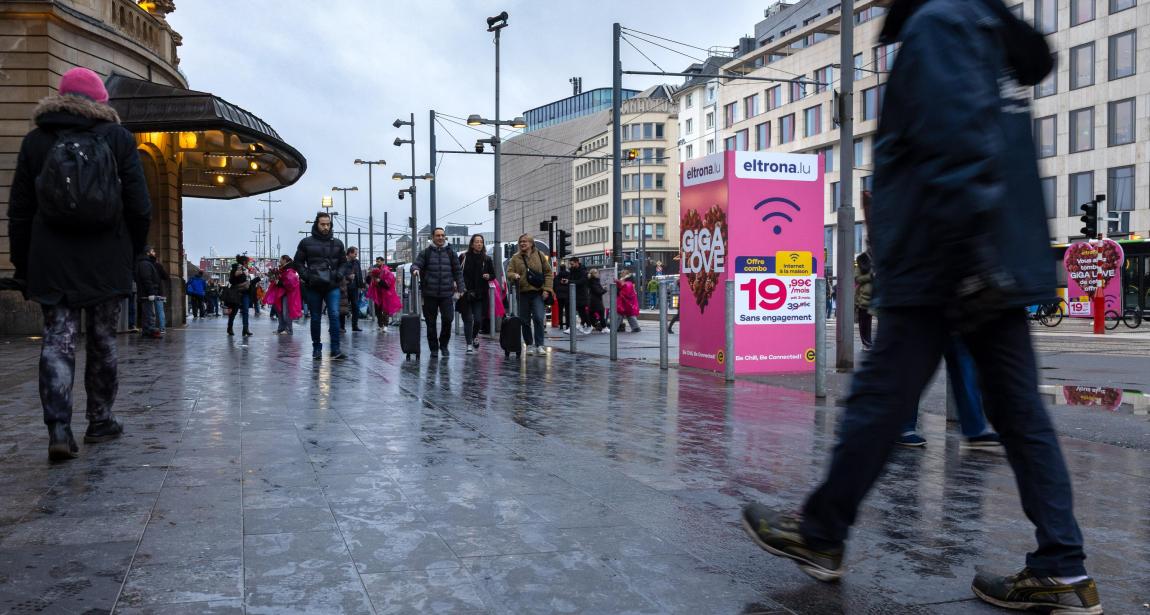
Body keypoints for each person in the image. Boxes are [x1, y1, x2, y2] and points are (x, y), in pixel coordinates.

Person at [741, 0, 1101, 611]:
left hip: (942, 258)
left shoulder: (938, 23)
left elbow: (957, 144)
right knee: (1018, 415)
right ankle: (1063, 568)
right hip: (992, 253)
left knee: (881, 400)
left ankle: (822, 533)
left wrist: (962, 256)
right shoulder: (987, 30)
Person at [7, 67, 151, 461]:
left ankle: (58, 428)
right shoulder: (119, 138)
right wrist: (133, 252)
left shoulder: (37, 141)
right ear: (102, 102)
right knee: (103, 340)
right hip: (107, 255)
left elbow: (19, 209)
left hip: (52, 256)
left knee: (58, 339)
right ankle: (101, 421)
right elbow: (139, 205)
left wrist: (23, 263)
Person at [293, 212, 347, 360]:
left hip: (332, 285)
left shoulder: (337, 243)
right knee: (315, 317)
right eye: (323, 224)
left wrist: (339, 274)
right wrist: (307, 277)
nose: (325, 227)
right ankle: (317, 348)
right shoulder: (306, 242)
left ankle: (335, 349)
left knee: (335, 315)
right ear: (317, 224)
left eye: (328, 224)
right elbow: (297, 262)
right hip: (314, 286)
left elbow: (344, 263)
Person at [412, 227, 464, 358]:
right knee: (431, 323)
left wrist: (461, 288)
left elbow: (458, 272)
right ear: (433, 237)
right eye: (438, 235)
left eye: (442, 235)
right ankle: (434, 348)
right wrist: (415, 269)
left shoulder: (451, 253)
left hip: (446, 294)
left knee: (448, 319)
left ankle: (444, 345)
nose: (440, 238)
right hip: (430, 293)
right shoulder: (426, 253)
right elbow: (416, 264)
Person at [505, 233, 553, 355]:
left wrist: (547, 289)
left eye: (525, 241)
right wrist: (513, 275)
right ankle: (529, 345)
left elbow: (548, 273)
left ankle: (540, 345)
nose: (522, 243)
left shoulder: (539, 255)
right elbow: (509, 272)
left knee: (538, 317)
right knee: (525, 321)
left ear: (531, 243)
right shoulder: (515, 258)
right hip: (523, 293)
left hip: (538, 292)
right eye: (520, 241)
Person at [459, 234, 496, 353]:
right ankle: (469, 345)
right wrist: (458, 285)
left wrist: (488, 276)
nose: (479, 244)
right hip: (465, 293)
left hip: (480, 294)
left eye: (481, 242)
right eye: (477, 242)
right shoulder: (463, 257)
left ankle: (474, 336)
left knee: (479, 320)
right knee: (468, 319)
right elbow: (457, 273)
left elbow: (493, 275)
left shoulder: (487, 259)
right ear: (472, 244)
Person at [264, 255, 301, 334]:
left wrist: (279, 282)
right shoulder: (283, 269)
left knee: (285, 312)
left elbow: (290, 283)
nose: (280, 260)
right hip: (281, 293)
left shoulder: (289, 269)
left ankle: (288, 330)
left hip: (287, 294)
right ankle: (281, 328)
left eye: (281, 259)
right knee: (280, 311)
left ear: (284, 260)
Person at [134, 246, 163, 339]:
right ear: (147, 253)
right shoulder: (145, 264)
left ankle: (148, 330)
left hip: (147, 292)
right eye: (152, 251)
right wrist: (151, 292)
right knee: (149, 313)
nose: (154, 253)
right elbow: (146, 279)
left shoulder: (147, 263)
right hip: (146, 293)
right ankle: (149, 330)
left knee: (149, 312)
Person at [225, 255, 252, 337]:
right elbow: (232, 280)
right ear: (244, 262)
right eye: (248, 262)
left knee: (246, 311)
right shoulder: (235, 269)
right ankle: (230, 328)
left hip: (246, 293)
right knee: (234, 312)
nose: (249, 264)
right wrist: (239, 275)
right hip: (236, 293)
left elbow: (248, 283)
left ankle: (245, 329)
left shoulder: (246, 270)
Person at [342, 247, 365, 332]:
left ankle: (355, 325)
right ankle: (342, 326)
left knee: (355, 306)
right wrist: (348, 277)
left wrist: (362, 285)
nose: (356, 255)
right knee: (343, 307)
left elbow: (359, 273)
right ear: (350, 253)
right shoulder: (343, 262)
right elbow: (340, 274)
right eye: (355, 253)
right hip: (344, 288)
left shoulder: (357, 262)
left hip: (354, 288)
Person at [854, 251, 873, 350]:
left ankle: (868, 342)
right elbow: (857, 278)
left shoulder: (874, 261)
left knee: (868, 322)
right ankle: (866, 342)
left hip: (872, 297)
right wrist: (870, 277)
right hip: (863, 297)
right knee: (864, 322)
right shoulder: (862, 261)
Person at [568, 257, 590, 334]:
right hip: (575, 294)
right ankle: (580, 325)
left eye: (572, 264)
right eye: (570, 264)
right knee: (580, 311)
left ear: (577, 262)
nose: (571, 265)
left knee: (582, 311)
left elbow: (581, 281)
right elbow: (571, 279)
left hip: (581, 294)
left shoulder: (583, 271)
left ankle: (588, 325)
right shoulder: (572, 271)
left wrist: (569, 281)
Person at [555, 263, 570, 332]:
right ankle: (567, 325)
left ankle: (561, 325)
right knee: (567, 311)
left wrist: (557, 292)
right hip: (567, 295)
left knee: (560, 310)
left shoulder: (557, 277)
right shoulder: (569, 275)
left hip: (560, 296)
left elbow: (554, 286)